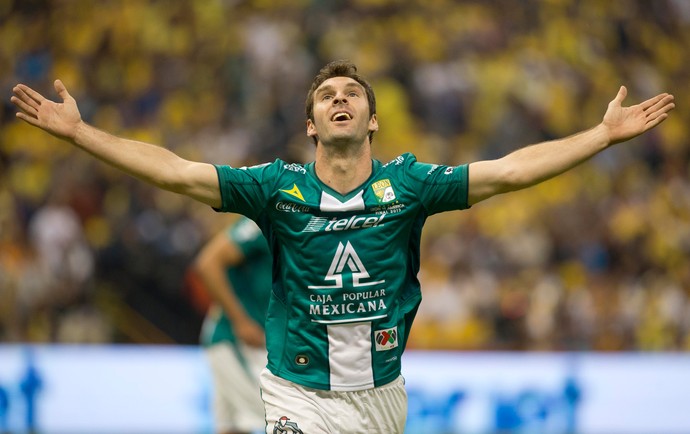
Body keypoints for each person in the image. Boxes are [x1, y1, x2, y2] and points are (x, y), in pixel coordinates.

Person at [11, 60, 674, 433]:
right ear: (310, 124)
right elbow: (176, 171)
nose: (339, 100)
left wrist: (600, 137)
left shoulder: (409, 184)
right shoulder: (278, 189)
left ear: (372, 118)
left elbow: (509, 171)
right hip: (297, 391)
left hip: (381, 397)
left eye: (351, 93)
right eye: (326, 95)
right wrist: (82, 134)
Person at [193, 217, 272, 434]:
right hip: (236, 340)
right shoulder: (261, 222)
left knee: (233, 427)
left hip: (244, 342)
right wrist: (241, 321)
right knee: (283, 417)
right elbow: (207, 263)